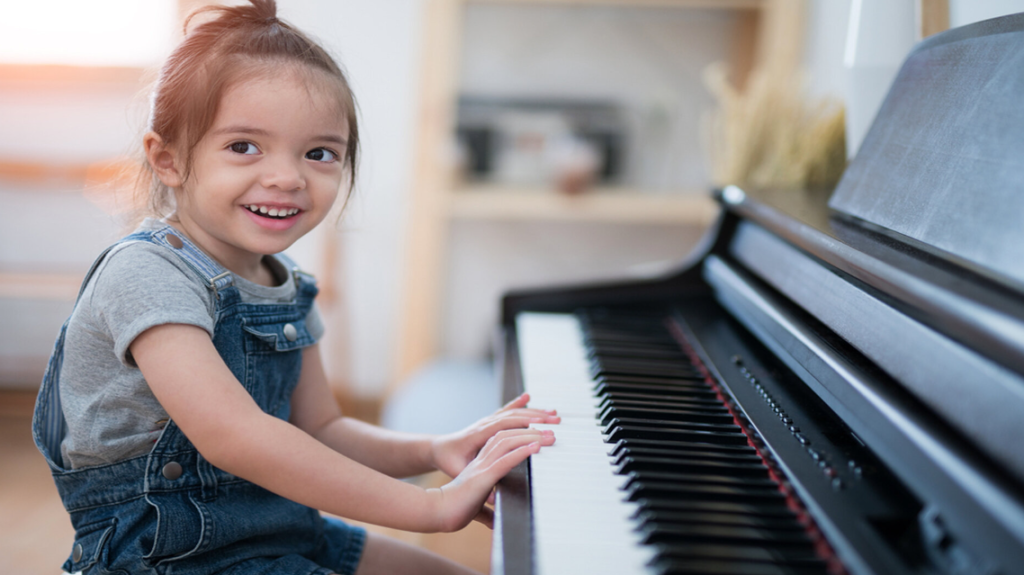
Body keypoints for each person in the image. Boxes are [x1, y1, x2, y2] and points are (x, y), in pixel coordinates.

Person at [31, 2, 558, 574]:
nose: (288, 176)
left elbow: (323, 429)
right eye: (244, 147)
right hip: (171, 554)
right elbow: (234, 437)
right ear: (169, 159)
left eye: (319, 153)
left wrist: (432, 451)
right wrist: (427, 507)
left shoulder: (286, 287)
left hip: (276, 524)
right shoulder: (146, 275)